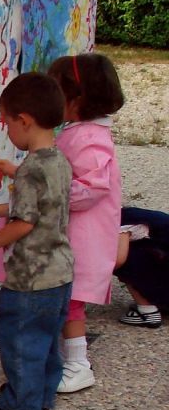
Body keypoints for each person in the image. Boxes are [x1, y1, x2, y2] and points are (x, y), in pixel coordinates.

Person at [0, 72, 74, 410]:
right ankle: (41, 394)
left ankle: (21, 403)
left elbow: (24, 223)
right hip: (60, 274)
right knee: (47, 341)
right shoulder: (58, 161)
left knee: (20, 341)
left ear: (24, 121)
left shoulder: (29, 171)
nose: (7, 130)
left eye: (7, 123)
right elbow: (41, 209)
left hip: (29, 279)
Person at [45, 53, 125, 392]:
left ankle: (79, 365)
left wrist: (51, 195)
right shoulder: (80, 132)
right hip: (77, 235)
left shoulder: (87, 137)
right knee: (69, 300)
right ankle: (70, 360)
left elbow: (93, 186)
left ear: (75, 98)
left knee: (72, 301)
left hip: (82, 238)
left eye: (55, 91)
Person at [115, 206, 169, 326]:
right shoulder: (134, 215)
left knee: (119, 256)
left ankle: (147, 313)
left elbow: (118, 261)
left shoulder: (121, 221)